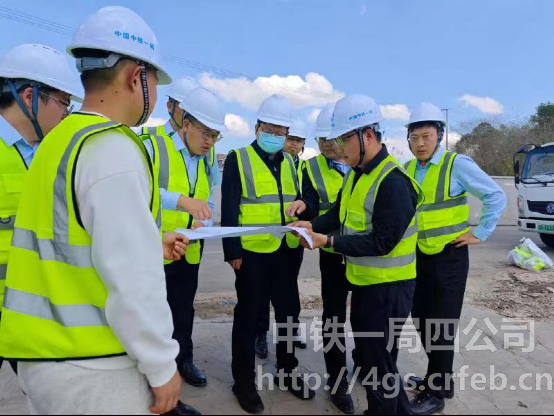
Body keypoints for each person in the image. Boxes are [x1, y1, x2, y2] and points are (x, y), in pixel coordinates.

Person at [0, 7, 199, 415]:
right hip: (93, 367)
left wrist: (149, 241)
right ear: (135, 77)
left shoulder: (57, 143)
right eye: (155, 81)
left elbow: (70, 238)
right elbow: (133, 280)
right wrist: (162, 366)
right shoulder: (112, 146)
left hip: (42, 357)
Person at [292, 94, 423, 415]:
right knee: (377, 360)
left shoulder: (393, 181)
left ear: (367, 135)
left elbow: (382, 242)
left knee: (379, 367)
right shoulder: (358, 172)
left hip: (389, 288)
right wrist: (312, 224)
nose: (338, 148)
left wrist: (327, 241)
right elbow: (339, 212)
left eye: (343, 140)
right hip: (365, 283)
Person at [404, 103, 507, 416]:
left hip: (450, 256)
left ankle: (436, 394)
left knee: (441, 324)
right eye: (414, 137)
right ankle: (441, 378)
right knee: (421, 317)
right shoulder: (407, 169)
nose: (420, 143)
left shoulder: (456, 164)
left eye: (426, 136)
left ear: (439, 135)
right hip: (419, 255)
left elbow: (495, 195)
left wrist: (481, 233)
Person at [222, 94, 317, 414]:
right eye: (269, 129)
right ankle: (244, 382)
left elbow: (306, 200)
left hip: (286, 252)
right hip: (252, 253)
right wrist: (232, 250)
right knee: (248, 317)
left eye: (281, 131)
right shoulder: (239, 158)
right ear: (257, 127)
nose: (275, 136)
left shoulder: (292, 163)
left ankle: (288, 371)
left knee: (289, 313)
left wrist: (304, 206)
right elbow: (230, 208)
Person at [0, 43, 82, 376]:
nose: (66, 113)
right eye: (63, 102)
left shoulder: (49, 152)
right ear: (30, 96)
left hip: (32, 308)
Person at [142, 85, 226, 390]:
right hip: (156, 248)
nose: (209, 142)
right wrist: (180, 201)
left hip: (189, 248)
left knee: (183, 308)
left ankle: (184, 360)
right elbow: (140, 189)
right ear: (186, 124)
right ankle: (154, 372)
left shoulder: (205, 157)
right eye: (205, 133)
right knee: (153, 313)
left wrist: (206, 220)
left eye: (215, 136)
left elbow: (208, 199)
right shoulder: (151, 145)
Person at [300, 103, 356, 414]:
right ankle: (338, 382)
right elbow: (313, 204)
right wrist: (305, 215)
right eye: (320, 139)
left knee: (367, 317)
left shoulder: (365, 164)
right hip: (332, 252)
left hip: (364, 254)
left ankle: (366, 363)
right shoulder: (310, 168)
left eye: (330, 138)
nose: (325, 145)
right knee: (334, 318)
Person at [254, 117, 310, 360]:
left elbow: (309, 198)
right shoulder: (268, 162)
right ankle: (260, 334)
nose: (294, 144)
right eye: (291, 139)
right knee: (262, 290)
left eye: (299, 141)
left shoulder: (304, 168)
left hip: (291, 240)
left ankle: (291, 330)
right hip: (264, 240)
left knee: (288, 290)